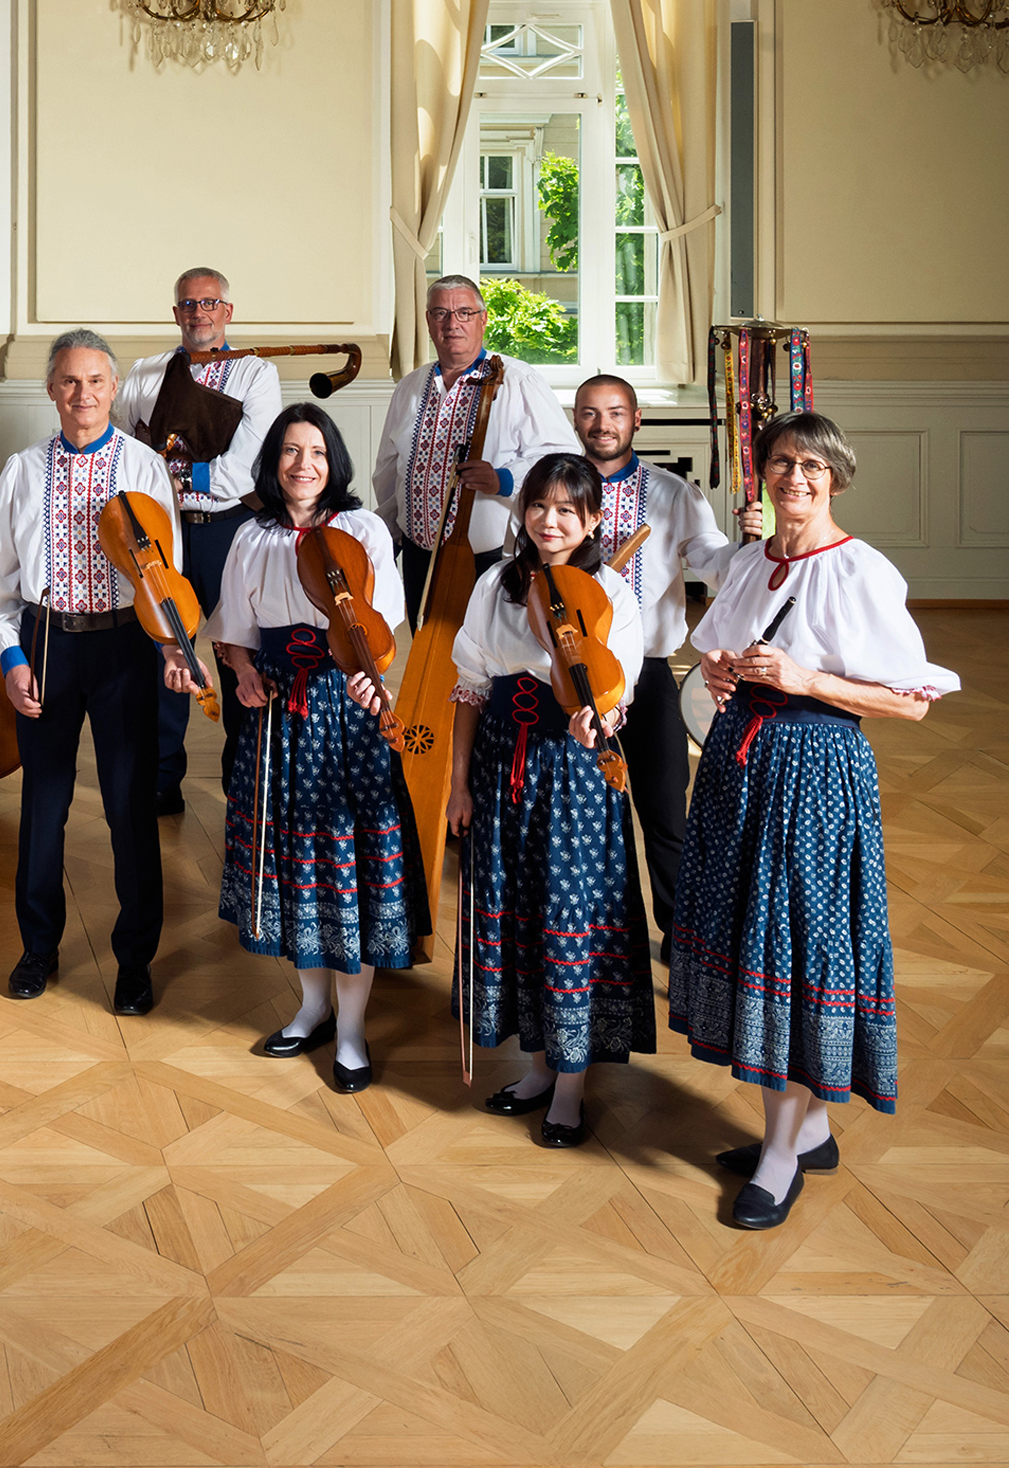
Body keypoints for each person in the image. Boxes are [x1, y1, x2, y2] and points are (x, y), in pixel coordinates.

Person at [675, 412, 957, 1230]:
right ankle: (814, 1127)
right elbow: (715, 653)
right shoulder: (755, 561)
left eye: (811, 465)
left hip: (814, 773)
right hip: (741, 765)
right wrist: (722, 674)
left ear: (835, 476)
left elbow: (911, 703)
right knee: (749, 935)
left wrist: (806, 679)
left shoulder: (860, 570)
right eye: (781, 463)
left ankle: (779, 1155)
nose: (794, 477)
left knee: (794, 947)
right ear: (763, 473)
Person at [0, 330, 195, 1018]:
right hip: (44, 641)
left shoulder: (143, 468)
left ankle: (135, 961)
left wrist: (170, 648)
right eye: (70, 381)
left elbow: (167, 575)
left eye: (96, 381)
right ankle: (38, 947)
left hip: (125, 643)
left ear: (114, 388)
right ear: (50, 390)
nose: (83, 394)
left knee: (131, 805)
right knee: (44, 804)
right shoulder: (20, 470)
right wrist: (11, 659)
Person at [447, 452, 652, 1149]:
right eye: (539, 506)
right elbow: (471, 687)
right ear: (522, 511)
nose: (550, 520)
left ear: (594, 519)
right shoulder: (495, 587)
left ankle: (569, 1087)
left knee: (568, 918)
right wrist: (457, 781)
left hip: (573, 772)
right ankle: (537, 1068)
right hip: (504, 760)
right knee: (520, 915)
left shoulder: (613, 594)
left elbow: (616, 694)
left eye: (568, 509)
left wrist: (597, 714)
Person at [209, 404, 413, 1093]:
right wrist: (239, 671)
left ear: (335, 463)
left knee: (346, 866)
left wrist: (364, 668)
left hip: (345, 708)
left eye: (318, 452)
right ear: (274, 461)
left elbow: (385, 623)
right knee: (292, 863)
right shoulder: (252, 536)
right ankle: (312, 1006)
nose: (304, 465)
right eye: (292, 451)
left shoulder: (361, 528)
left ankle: (352, 1031)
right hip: (276, 707)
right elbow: (232, 627)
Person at [570, 373, 760, 960]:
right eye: (590, 413)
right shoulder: (553, 487)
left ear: (636, 420)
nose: (604, 424)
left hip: (648, 674)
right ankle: (585, 938)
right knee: (580, 814)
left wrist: (748, 543)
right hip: (568, 677)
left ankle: (681, 936)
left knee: (664, 811)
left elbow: (715, 563)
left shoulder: (673, 493)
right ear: (575, 420)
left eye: (617, 412)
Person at [112, 267, 283, 811]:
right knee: (167, 648)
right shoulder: (144, 373)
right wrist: (166, 474)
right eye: (188, 304)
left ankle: (243, 782)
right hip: (164, 532)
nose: (198, 313)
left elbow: (248, 466)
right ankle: (161, 781)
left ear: (227, 312)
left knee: (238, 651)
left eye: (209, 303)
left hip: (230, 530)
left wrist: (175, 472)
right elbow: (126, 452)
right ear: (176, 313)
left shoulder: (256, 374)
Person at [371, 274, 574, 621]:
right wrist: (391, 534)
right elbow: (390, 470)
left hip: (490, 558)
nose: (452, 324)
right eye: (441, 313)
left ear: (483, 319)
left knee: (483, 660)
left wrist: (504, 479)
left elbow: (564, 457)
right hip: (420, 556)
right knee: (428, 655)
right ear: (428, 321)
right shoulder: (409, 387)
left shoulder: (518, 380)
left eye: (464, 313)